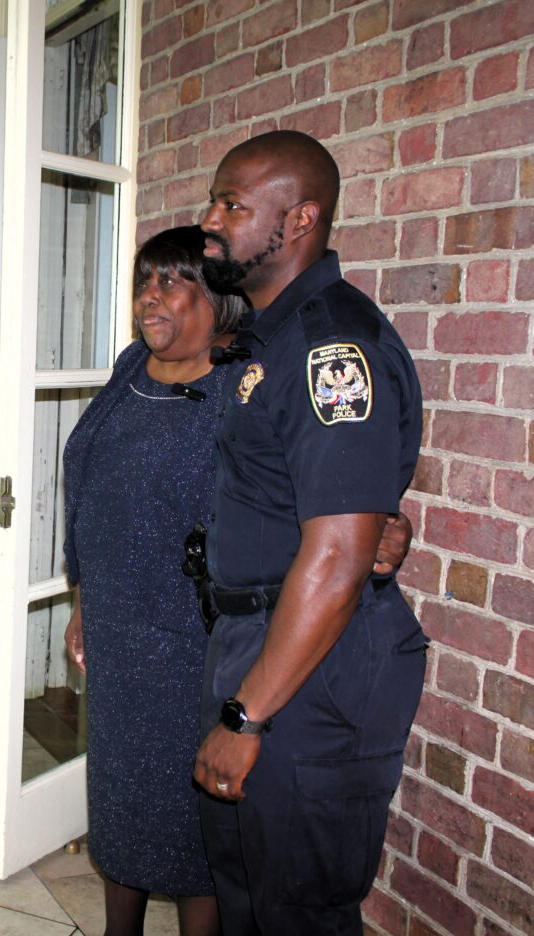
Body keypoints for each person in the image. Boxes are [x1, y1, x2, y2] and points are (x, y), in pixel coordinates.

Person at [193, 129, 426, 935]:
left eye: (232, 204)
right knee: (245, 893)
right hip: (258, 642)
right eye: (213, 200)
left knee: (297, 911)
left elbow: (336, 557)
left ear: (298, 222)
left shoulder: (332, 345)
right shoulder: (269, 336)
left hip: (313, 671)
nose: (211, 219)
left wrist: (245, 717)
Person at [63, 226, 246, 936]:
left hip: (190, 643)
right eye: (146, 280)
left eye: (172, 281)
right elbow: (90, 491)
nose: (151, 296)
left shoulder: (239, 390)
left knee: (185, 812)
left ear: (218, 300)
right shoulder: (131, 366)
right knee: (120, 797)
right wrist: (83, 603)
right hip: (118, 630)